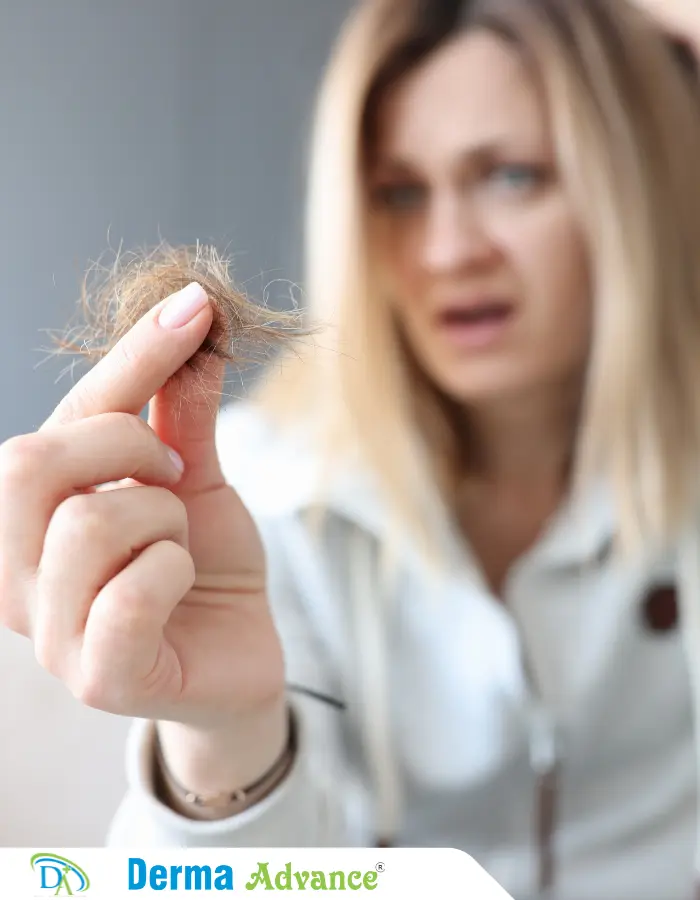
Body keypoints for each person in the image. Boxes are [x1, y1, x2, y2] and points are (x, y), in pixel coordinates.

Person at [1, 1, 699, 898]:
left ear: (633, 186)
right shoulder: (250, 498)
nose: (449, 251)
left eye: (514, 177)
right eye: (400, 192)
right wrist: (226, 736)